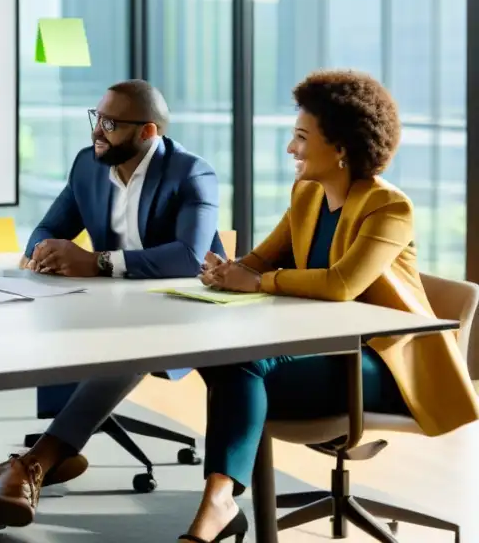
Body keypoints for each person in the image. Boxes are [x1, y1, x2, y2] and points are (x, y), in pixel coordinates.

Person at [178, 69, 479, 543]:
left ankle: (219, 502)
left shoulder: (388, 207)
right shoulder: (308, 194)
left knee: (242, 368)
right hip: (324, 348)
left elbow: (342, 284)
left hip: (383, 361)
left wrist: (258, 281)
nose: (290, 149)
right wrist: (226, 271)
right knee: (222, 360)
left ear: (340, 148)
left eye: (301, 137)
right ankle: (221, 499)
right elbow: (263, 259)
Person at [0, 79, 227, 527]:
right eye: (96, 118)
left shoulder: (191, 173)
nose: (97, 131)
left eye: (110, 123)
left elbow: (187, 258)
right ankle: (58, 450)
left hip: (183, 310)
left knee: (135, 344)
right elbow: (50, 226)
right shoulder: (89, 165)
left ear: (147, 132)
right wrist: (41, 252)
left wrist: (99, 262)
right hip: (114, 303)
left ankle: (37, 462)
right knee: (41, 308)